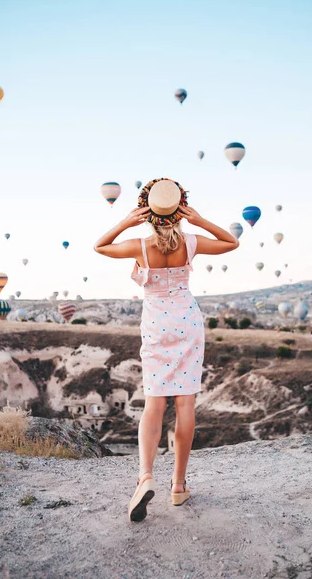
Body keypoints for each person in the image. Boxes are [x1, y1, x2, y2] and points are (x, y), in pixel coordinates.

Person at [94, 178, 239, 522]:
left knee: (154, 402)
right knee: (185, 402)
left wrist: (126, 222)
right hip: (187, 322)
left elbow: (100, 247)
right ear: (179, 209)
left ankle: (145, 476)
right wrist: (199, 219)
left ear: (147, 211)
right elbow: (231, 242)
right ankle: (178, 485)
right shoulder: (190, 242)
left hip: (157, 325)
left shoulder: (139, 246)